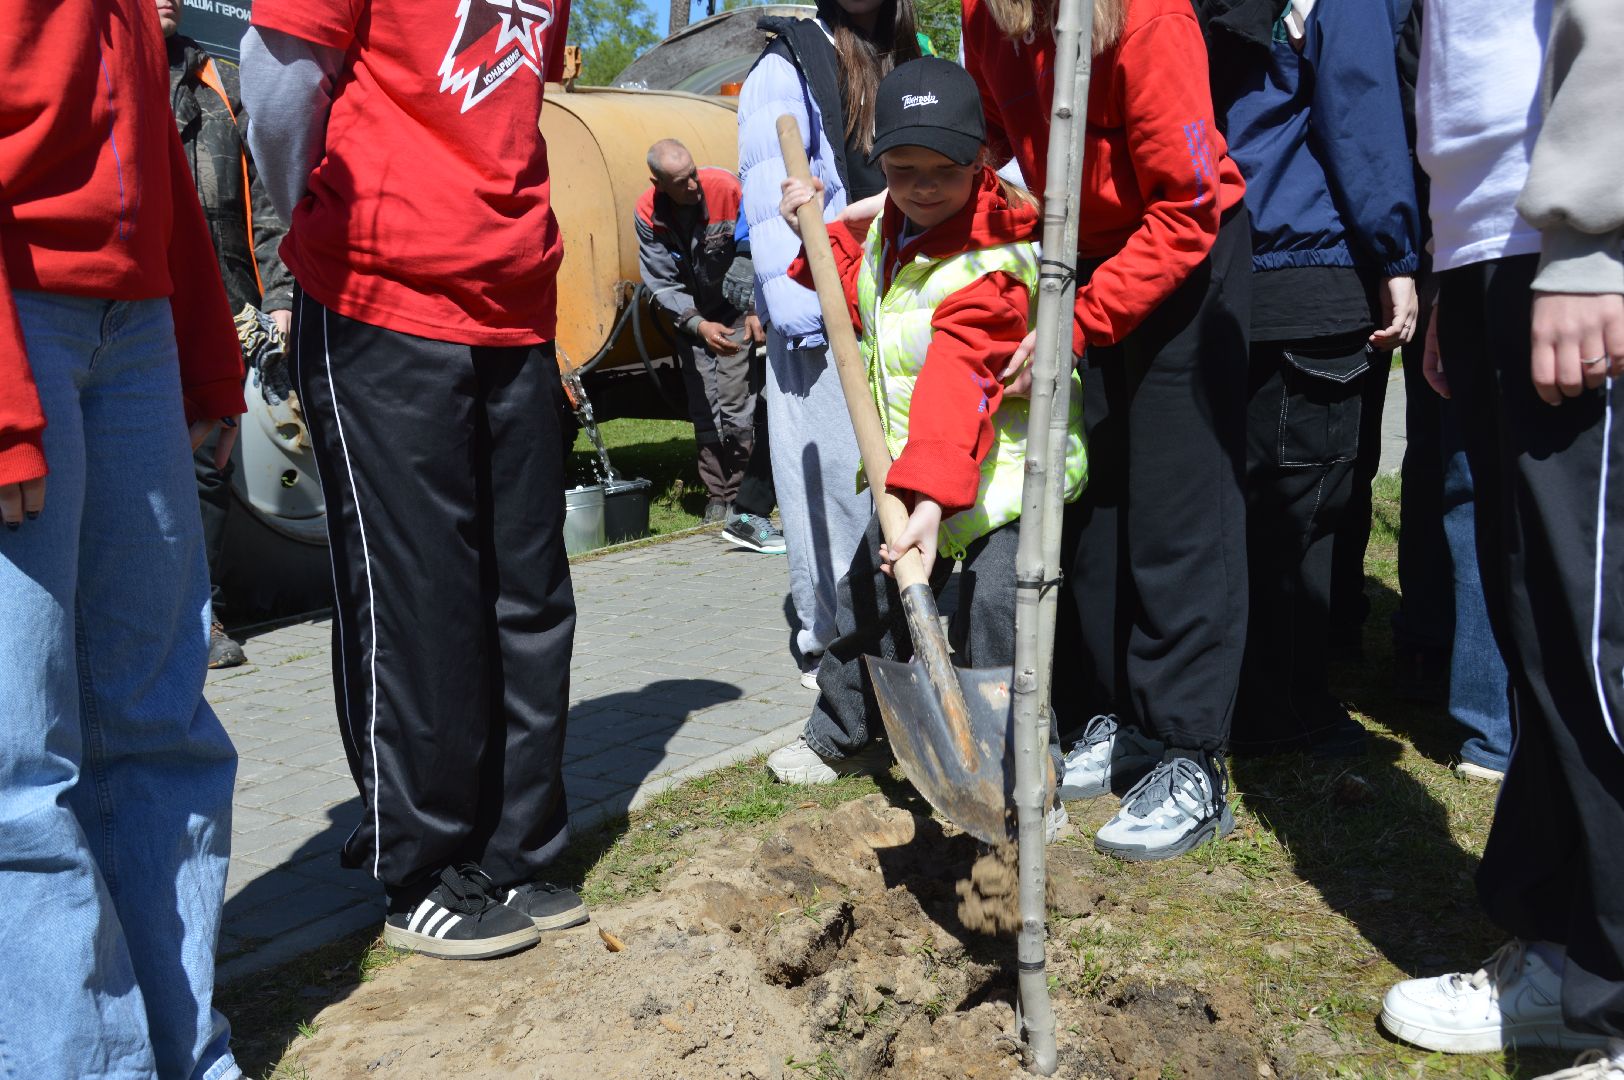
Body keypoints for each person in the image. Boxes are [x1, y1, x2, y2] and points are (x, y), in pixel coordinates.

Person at [240, 0, 587, 961]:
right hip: (378, 295)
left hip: (512, 298)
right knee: (418, 593)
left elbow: (510, 105)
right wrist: (329, 206)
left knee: (528, 591)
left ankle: (515, 847)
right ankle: (422, 869)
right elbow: (276, 82)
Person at [1377, 0, 1624, 1073]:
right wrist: (1451, 266)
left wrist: (1590, 238)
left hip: (1567, 236)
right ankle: (1566, 959)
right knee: (1535, 638)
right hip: (1488, 239)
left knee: (1597, 638)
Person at [0, 1, 245, 1076]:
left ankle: (189, 1052)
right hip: (19, 313)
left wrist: (200, 350)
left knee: (161, 724)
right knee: (20, 762)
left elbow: (146, 132)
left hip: (132, 323)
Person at [964, 0, 1252, 861]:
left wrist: (1078, 323)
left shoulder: (1149, 15)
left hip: (1183, 259)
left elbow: (1189, 203)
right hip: (1080, 264)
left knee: (1178, 513)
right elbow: (995, 156)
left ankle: (1192, 754)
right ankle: (1125, 718)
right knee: (1095, 509)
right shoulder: (988, 17)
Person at [765, 57, 1087, 798]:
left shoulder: (999, 262)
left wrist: (933, 504)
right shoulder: (893, 230)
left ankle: (1022, 767)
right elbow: (860, 289)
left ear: (981, 161)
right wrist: (813, 229)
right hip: (915, 468)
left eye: (943, 169)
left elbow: (958, 379)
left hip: (1003, 477)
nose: (922, 186)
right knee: (867, 599)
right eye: (903, 169)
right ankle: (845, 734)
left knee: (1001, 610)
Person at [1201, 0, 1421, 757]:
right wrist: (1397, 253)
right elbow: (1361, 114)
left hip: (1228, 259)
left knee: (1251, 496)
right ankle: (1288, 708)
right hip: (1313, 258)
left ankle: (1259, 687)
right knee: (1305, 504)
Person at [738, 0, 924, 688]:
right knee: (834, 502)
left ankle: (896, 643)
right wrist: (816, 315)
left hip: (887, 310)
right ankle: (835, 654)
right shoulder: (784, 67)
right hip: (821, 318)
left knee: (889, 499)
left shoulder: (897, 50)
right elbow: (769, 200)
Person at [157, 0, 297, 669]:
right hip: (135, 301)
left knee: (206, 465)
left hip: (225, 306)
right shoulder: (108, 76)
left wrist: (281, 298)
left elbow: (267, 201)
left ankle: (203, 616)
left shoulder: (224, 80)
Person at [636, 138, 782, 553]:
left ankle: (741, 497)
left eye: (693, 175)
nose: (694, 187)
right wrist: (698, 326)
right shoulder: (648, 214)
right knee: (705, 405)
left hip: (736, 309)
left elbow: (759, 241)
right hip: (691, 318)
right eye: (681, 183)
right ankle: (715, 495)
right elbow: (662, 281)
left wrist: (755, 307)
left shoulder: (726, 189)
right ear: (658, 183)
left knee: (737, 402)